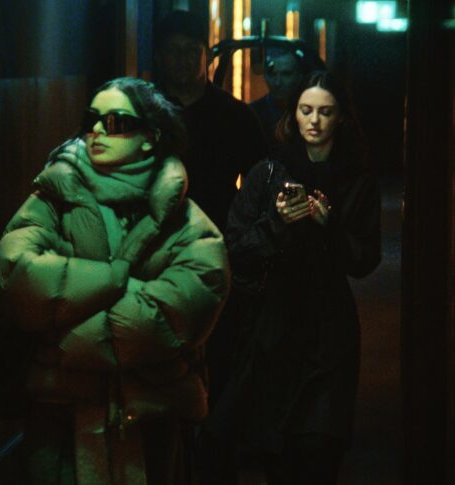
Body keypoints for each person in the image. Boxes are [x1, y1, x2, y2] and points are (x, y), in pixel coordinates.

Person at [0, 77, 230, 484]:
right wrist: (116, 278)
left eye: (116, 122)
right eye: (92, 119)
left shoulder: (181, 215)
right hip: (61, 414)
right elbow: (20, 275)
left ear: (150, 138)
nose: (97, 130)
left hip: (149, 415)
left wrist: (67, 324)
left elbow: (184, 306)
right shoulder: (54, 195)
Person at [205, 70, 381, 484]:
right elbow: (235, 246)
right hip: (273, 324)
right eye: (306, 110)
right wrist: (278, 223)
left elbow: (364, 259)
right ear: (294, 114)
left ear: (341, 117)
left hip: (328, 326)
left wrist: (328, 226)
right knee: (276, 449)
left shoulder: (356, 179)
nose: (314, 121)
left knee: (320, 447)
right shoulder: (268, 173)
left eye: (325, 112)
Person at [153, 9, 267, 232]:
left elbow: (261, 184)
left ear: (207, 54)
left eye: (191, 50)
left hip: (220, 232)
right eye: (173, 50)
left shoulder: (235, 115)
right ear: (159, 56)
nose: (182, 58)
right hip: (156, 233)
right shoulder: (145, 111)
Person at [249, 49, 308, 149]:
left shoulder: (310, 112)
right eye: (272, 74)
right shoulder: (252, 114)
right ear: (265, 76)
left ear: (299, 76)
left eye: (286, 74)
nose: (278, 82)